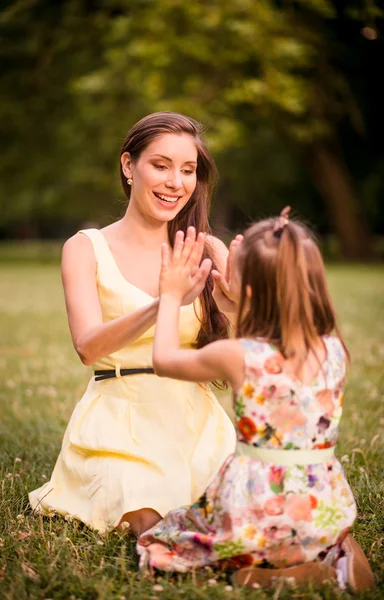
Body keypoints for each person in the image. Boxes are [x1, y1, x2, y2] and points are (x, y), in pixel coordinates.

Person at [137, 209, 375, 591]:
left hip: (256, 514)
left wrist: (170, 295)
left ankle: (276, 571)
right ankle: (331, 552)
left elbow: (164, 360)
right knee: (314, 529)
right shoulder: (334, 350)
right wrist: (241, 302)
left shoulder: (240, 355)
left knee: (164, 538)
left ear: (247, 293)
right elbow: (272, 343)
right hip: (325, 507)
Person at [29, 112, 237, 534]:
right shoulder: (86, 248)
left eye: (187, 170)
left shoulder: (208, 249)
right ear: (129, 166)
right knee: (151, 518)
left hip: (195, 420)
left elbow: (250, 352)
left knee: (234, 515)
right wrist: (164, 302)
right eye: (160, 165)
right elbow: (87, 347)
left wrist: (238, 308)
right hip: (118, 416)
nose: (175, 183)